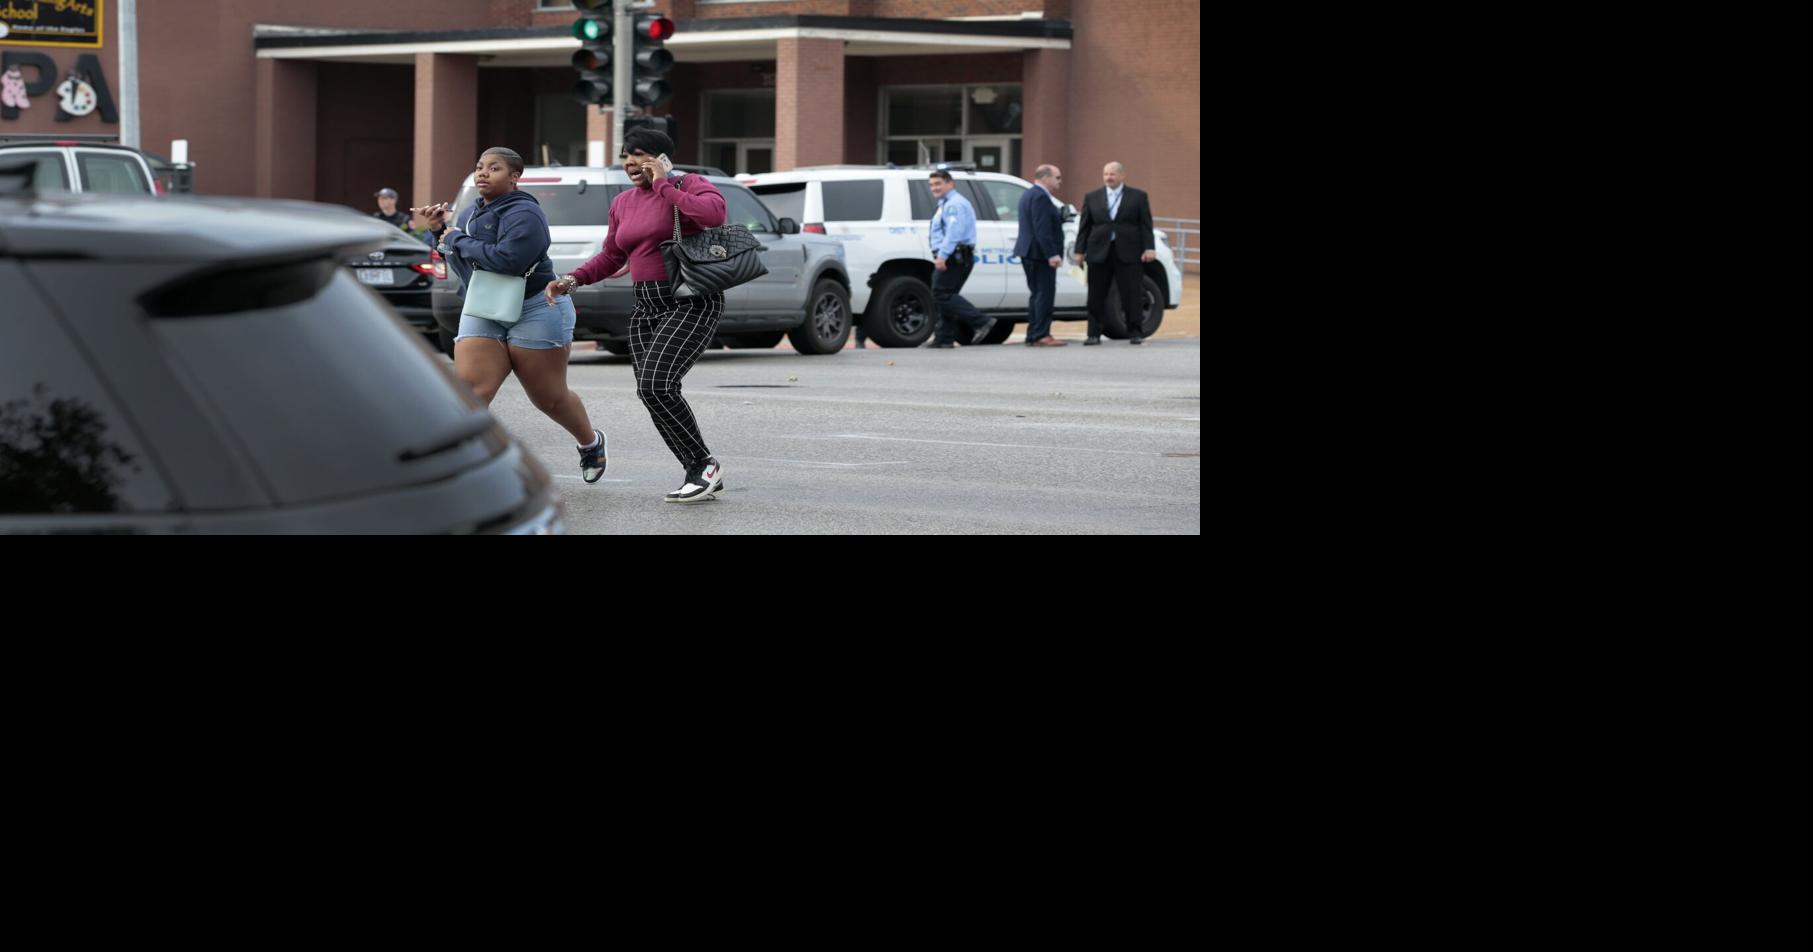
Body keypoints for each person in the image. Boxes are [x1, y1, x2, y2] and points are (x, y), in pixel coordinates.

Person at [545, 127, 731, 504]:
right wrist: (571, 279)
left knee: (655, 385)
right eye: (625, 155)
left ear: (662, 158)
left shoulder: (689, 184)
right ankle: (697, 469)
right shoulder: (624, 202)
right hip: (646, 304)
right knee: (654, 392)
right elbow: (613, 255)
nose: (629, 162)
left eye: (639, 154)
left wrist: (664, 184)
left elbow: (714, 214)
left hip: (690, 299)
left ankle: (703, 466)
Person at [412, 147, 610, 483]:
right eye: (479, 167)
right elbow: (464, 264)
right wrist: (438, 232)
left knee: (548, 398)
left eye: (494, 168)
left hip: (535, 306)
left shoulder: (526, 213)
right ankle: (464, 464)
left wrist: (458, 238)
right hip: (485, 306)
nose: (483, 174)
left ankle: (590, 442)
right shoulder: (469, 214)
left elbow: (509, 260)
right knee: (472, 390)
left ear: (515, 177)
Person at [1073, 161, 1156, 345]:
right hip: (1098, 251)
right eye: (1106, 174)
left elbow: (1146, 225)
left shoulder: (1138, 197)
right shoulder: (1092, 197)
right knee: (1096, 294)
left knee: (1132, 293)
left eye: (1112, 174)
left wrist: (1149, 248)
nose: (1108, 177)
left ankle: (1135, 332)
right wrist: (1079, 251)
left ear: (1122, 176)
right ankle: (1093, 334)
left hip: (1129, 251)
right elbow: (1084, 227)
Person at [925, 169, 996, 348]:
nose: (934, 188)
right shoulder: (946, 203)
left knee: (941, 294)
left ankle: (981, 321)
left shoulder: (954, 204)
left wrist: (942, 256)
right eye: (932, 184)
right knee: (947, 295)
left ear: (950, 184)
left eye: (938, 183)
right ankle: (944, 338)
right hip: (956, 255)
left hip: (953, 256)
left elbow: (954, 233)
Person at [1014, 164, 1067, 347]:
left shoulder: (1029, 194)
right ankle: (1041, 334)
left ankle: (1034, 333)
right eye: (1057, 177)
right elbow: (1042, 228)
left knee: (1037, 294)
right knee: (1044, 293)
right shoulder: (1040, 197)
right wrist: (1052, 253)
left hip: (1031, 252)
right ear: (1045, 177)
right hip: (1038, 254)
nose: (1059, 181)